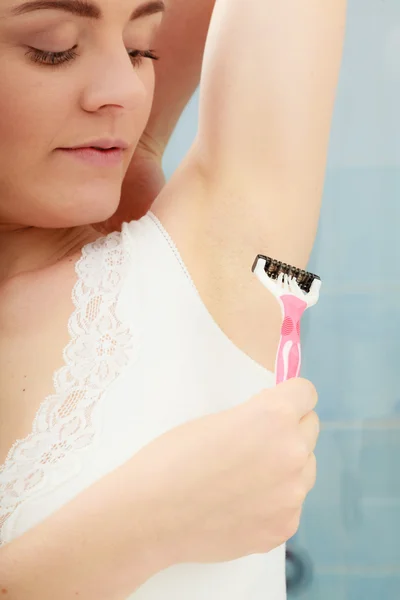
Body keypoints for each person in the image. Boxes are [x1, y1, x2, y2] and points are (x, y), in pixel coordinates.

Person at [0, 0, 347, 598]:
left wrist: (140, 152)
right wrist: (141, 528)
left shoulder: (201, 268)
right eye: (53, 48)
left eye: (141, 50)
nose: (124, 93)